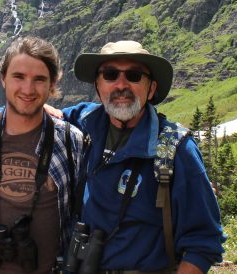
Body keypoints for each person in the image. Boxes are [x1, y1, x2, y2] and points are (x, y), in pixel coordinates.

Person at [59, 40, 225, 273]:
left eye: (134, 75)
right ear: (98, 85)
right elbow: (35, 113)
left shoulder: (177, 150)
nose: (121, 85)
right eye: (110, 74)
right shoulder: (84, 122)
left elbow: (203, 242)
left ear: (152, 88)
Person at [0, 36, 85, 274]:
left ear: (52, 84)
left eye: (39, 80)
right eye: (19, 77)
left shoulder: (70, 141)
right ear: (3, 78)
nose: (27, 89)